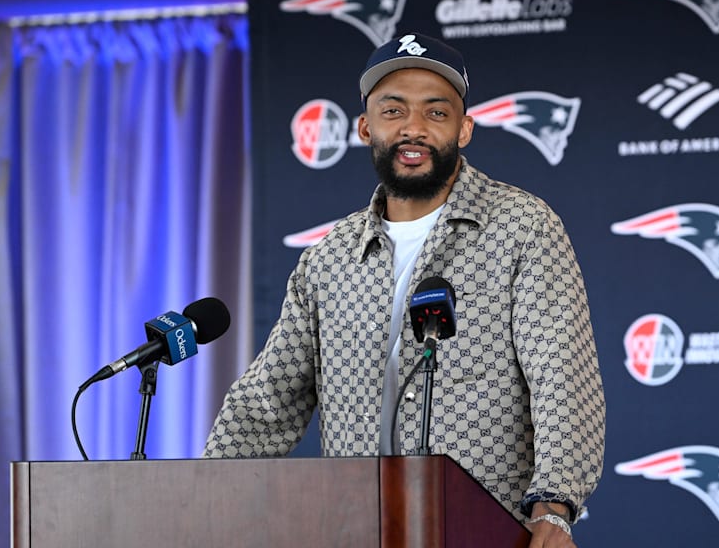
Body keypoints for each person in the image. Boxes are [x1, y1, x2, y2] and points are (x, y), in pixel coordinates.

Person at [204, 32, 605, 547]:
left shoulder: (522, 227)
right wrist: (202, 498)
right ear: (365, 127)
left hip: (485, 530)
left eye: (436, 113)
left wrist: (555, 506)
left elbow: (561, 379)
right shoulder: (329, 257)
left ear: (464, 129)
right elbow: (267, 401)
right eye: (393, 111)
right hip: (357, 529)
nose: (413, 128)